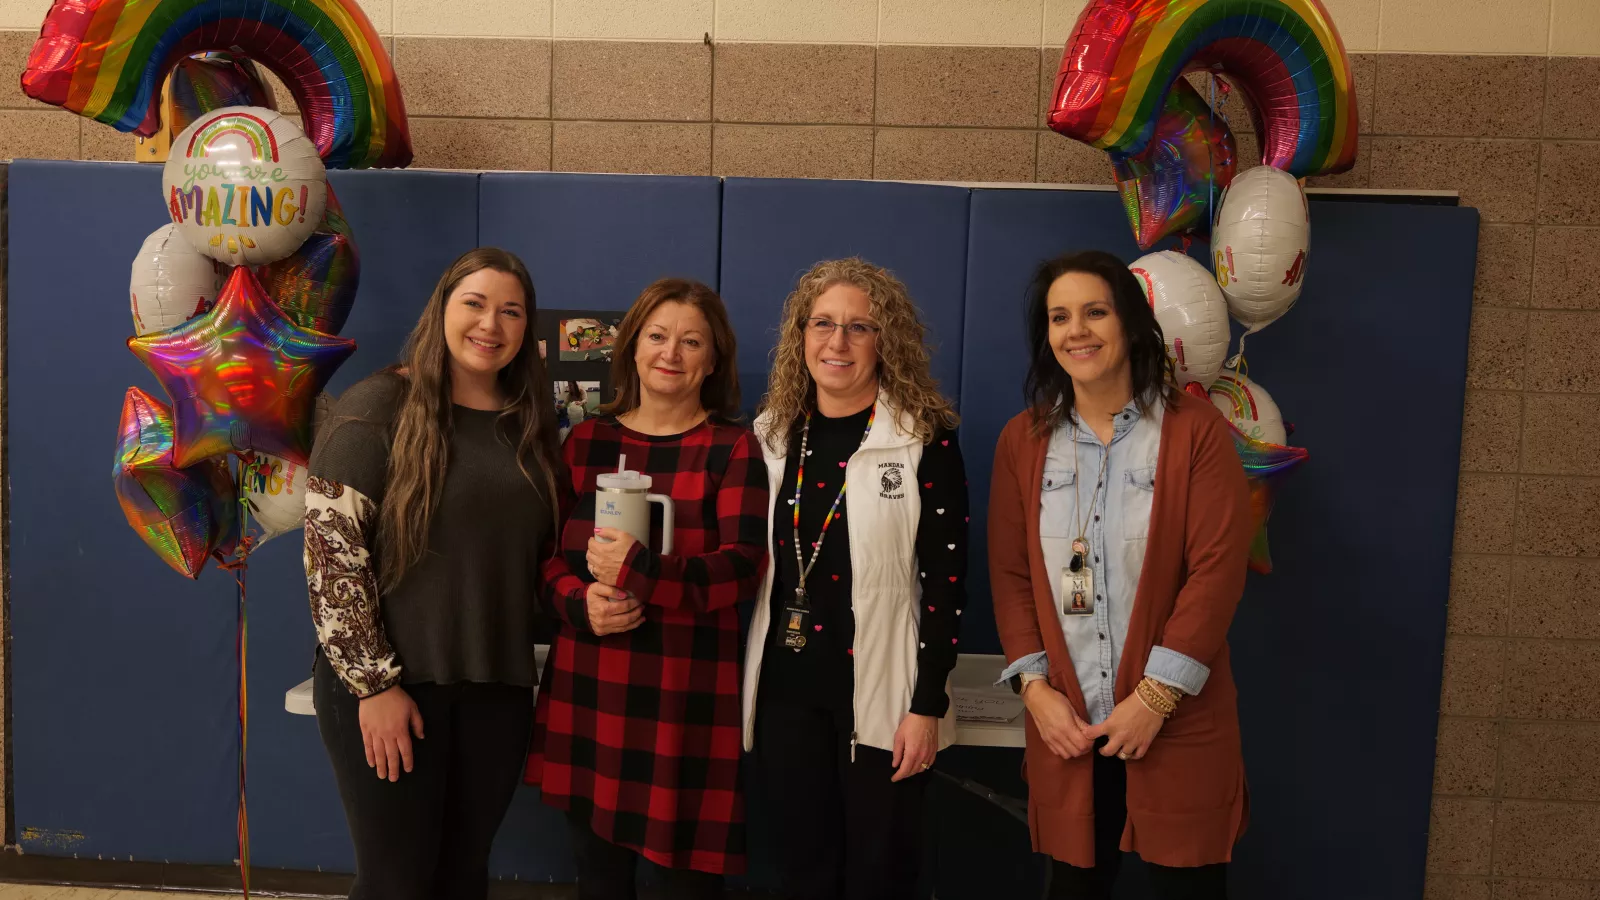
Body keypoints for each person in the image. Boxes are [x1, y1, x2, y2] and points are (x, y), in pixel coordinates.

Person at [989, 250, 1253, 899]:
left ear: (1130, 324)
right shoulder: (1022, 441)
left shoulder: (1195, 431)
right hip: (1067, 724)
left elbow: (1216, 572)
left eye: (1094, 312)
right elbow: (1011, 576)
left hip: (1176, 720)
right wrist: (1034, 690)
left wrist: (1155, 698)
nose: (1076, 330)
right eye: (1059, 317)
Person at [304, 247, 563, 899]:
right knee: (398, 883)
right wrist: (374, 687)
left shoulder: (530, 423)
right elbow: (331, 552)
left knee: (462, 877)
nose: (491, 324)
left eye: (511, 311)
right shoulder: (378, 405)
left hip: (496, 689)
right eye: (474, 303)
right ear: (441, 308)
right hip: (392, 687)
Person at [527, 278, 769, 899]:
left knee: (684, 886)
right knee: (598, 878)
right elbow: (545, 562)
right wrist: (579, 604)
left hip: (684, 698)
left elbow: (745, 567)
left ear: (713, 361)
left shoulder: (732, 448)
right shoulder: (586, 442)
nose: (671, 353)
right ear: (632, 347)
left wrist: (642, 572)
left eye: (692, 342)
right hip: (592, 692)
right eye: (657, 336)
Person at [743, 258, 968, 900]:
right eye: (822, 324)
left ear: (884, 341)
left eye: (859, 327)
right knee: (803, 872)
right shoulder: (770, 436)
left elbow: (948, 583)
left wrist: (927, 706)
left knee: (880, 875)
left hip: (886, 696)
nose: (837, 342)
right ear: (801, 336)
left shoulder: (923, 438)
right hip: (787, 693)